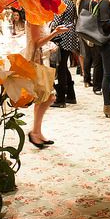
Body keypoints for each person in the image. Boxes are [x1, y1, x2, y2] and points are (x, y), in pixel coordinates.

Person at [25, 20, 71, 148]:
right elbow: (36, 43)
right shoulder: (34, 18)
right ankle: (35, 131)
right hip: (36, 61)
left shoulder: (38, 17)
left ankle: (37, 132)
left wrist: (51, 41)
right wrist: (55, 33)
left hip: (40, 60)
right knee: (50, 97)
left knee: (41, 99)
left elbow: (39, 41)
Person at [50, 0, 80, 107]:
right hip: (70, 34)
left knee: (61, 66)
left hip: (62, 36)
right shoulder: (70, 1)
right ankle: (71, 95)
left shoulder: (62, 2)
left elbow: (57, 21)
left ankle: (61, 99)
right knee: (64, 66)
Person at [76, 0, 96, 87]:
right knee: (91, 56)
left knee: (86, 55)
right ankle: (88, 79)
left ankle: (86, 79)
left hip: (81, 30)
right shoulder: (91, 3)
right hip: (90, 31)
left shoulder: (79, 3)